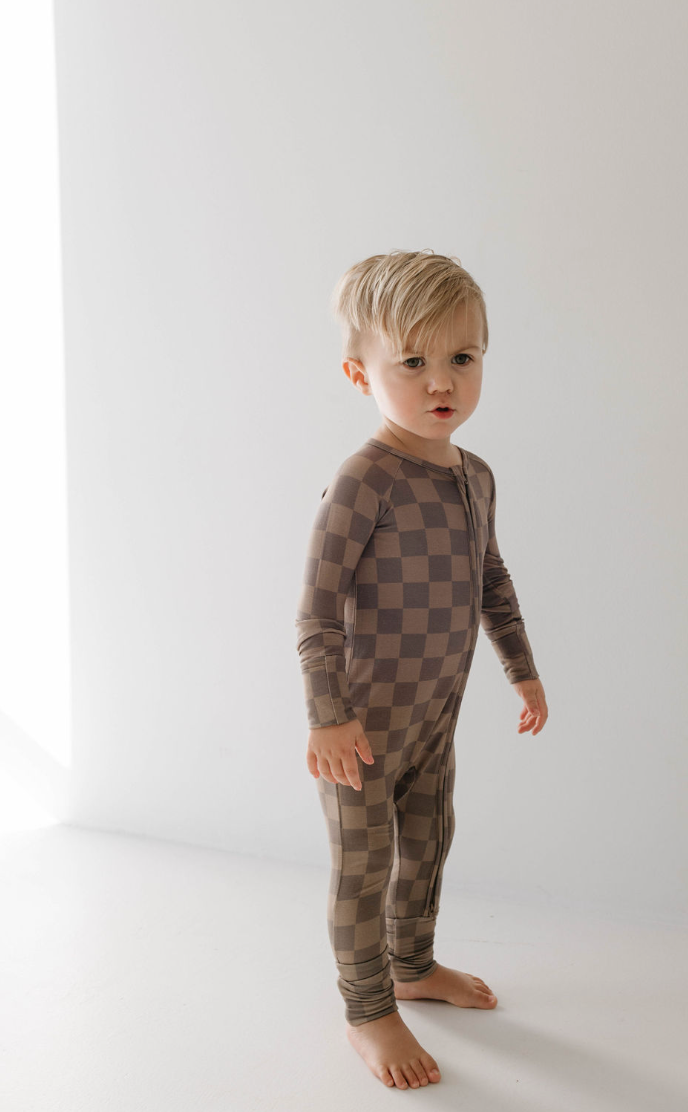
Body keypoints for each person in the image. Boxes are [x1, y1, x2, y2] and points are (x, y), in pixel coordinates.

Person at [294, 249, 548, 1090]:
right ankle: (367, 1008)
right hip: (363, 729)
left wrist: (522, 668)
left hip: (434, 717)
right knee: (364, 867)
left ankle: (413, 965)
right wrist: (327, 714)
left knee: (430, 844)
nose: (442, 381)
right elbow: (318, 611)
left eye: (462, 358)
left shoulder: (475, 477)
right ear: (358, 373)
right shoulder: (365, 480)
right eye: (412, 361)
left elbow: (492, 581)